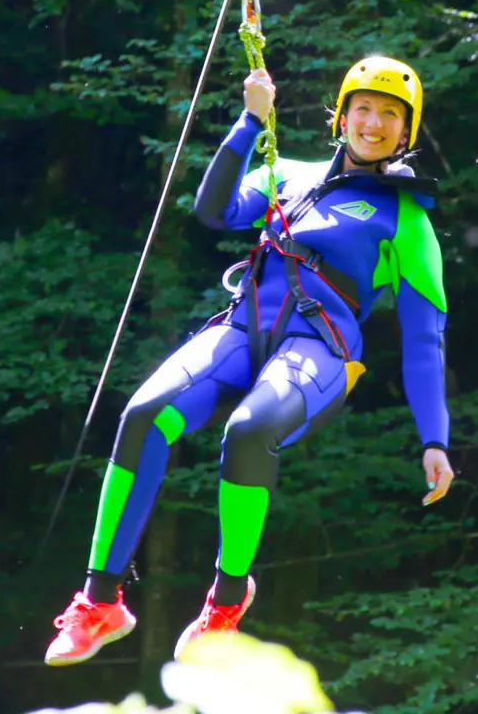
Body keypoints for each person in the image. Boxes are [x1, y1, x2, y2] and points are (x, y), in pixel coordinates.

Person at [45, 56, 456, 665]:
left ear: (405, 133)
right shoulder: (284, 172)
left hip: (318, 350)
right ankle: (100, 602)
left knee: (249, 431)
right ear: (341, 116)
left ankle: (226, 603)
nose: (374, 122)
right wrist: (248, 121)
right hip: (242, 330)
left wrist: (435, 439)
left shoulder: (408, 219)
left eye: (390, 115)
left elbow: (425, 338)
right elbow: (213, 213)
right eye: (363, 109)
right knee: (145, 413)